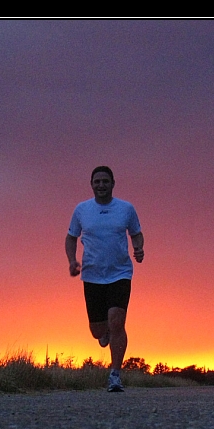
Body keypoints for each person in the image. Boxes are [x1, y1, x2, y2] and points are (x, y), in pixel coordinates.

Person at [65, 166, 144, 392]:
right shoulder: (82, 210)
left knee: (118, 320)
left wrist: (139, 248)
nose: (101, 185)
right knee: (97, 331)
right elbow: (71, 238)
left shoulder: (126, 209)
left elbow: (136, 233)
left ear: (112, 184)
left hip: (120, 273)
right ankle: (106, 331)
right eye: (97, 182)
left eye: (105, 181)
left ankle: (115, 375)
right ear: (92, 184)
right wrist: (72, 260)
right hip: (92, 275)